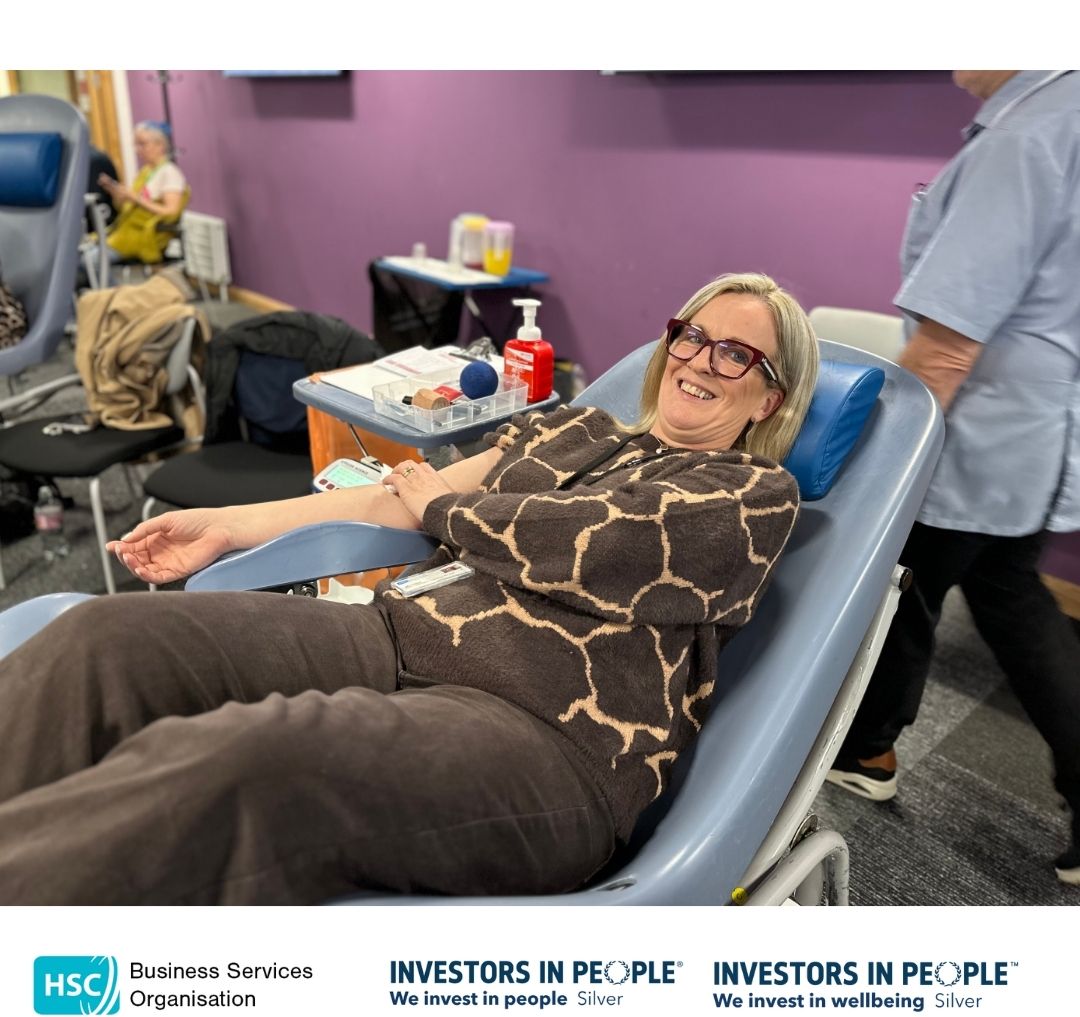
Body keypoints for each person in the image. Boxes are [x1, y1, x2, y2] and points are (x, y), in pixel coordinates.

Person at [0, 272, 818, 905]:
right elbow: (401, 496)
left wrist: (450, 510)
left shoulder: (751, 494)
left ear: (770, 396)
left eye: (736, 353)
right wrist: (230, 524)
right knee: (103, 642)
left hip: (546, 737)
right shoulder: (578, 426)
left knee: (246, 760)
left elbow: (595, 546)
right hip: (398, 636)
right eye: (691, 335)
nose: (701, 360)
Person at [826, 70, 1080, 886]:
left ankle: (867, 745)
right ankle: (871, 743)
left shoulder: (1021, 140)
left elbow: (944, 349)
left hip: (978, 429)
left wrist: (870, 455)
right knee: (1005, 593)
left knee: (901, 581)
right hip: (1036, 430)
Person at [84, 121, 189, 282]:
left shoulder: (170, 173)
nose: (138, 150)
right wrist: (116, 193)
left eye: (142, 144)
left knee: (91, 261)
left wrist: (135, 198)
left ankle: (115, 299)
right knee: (83, 253)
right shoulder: (146, 172)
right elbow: (127, 208)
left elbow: (171, 212)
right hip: (125, 233)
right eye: (136, 145)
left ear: (160, 145)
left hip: (146, 237)